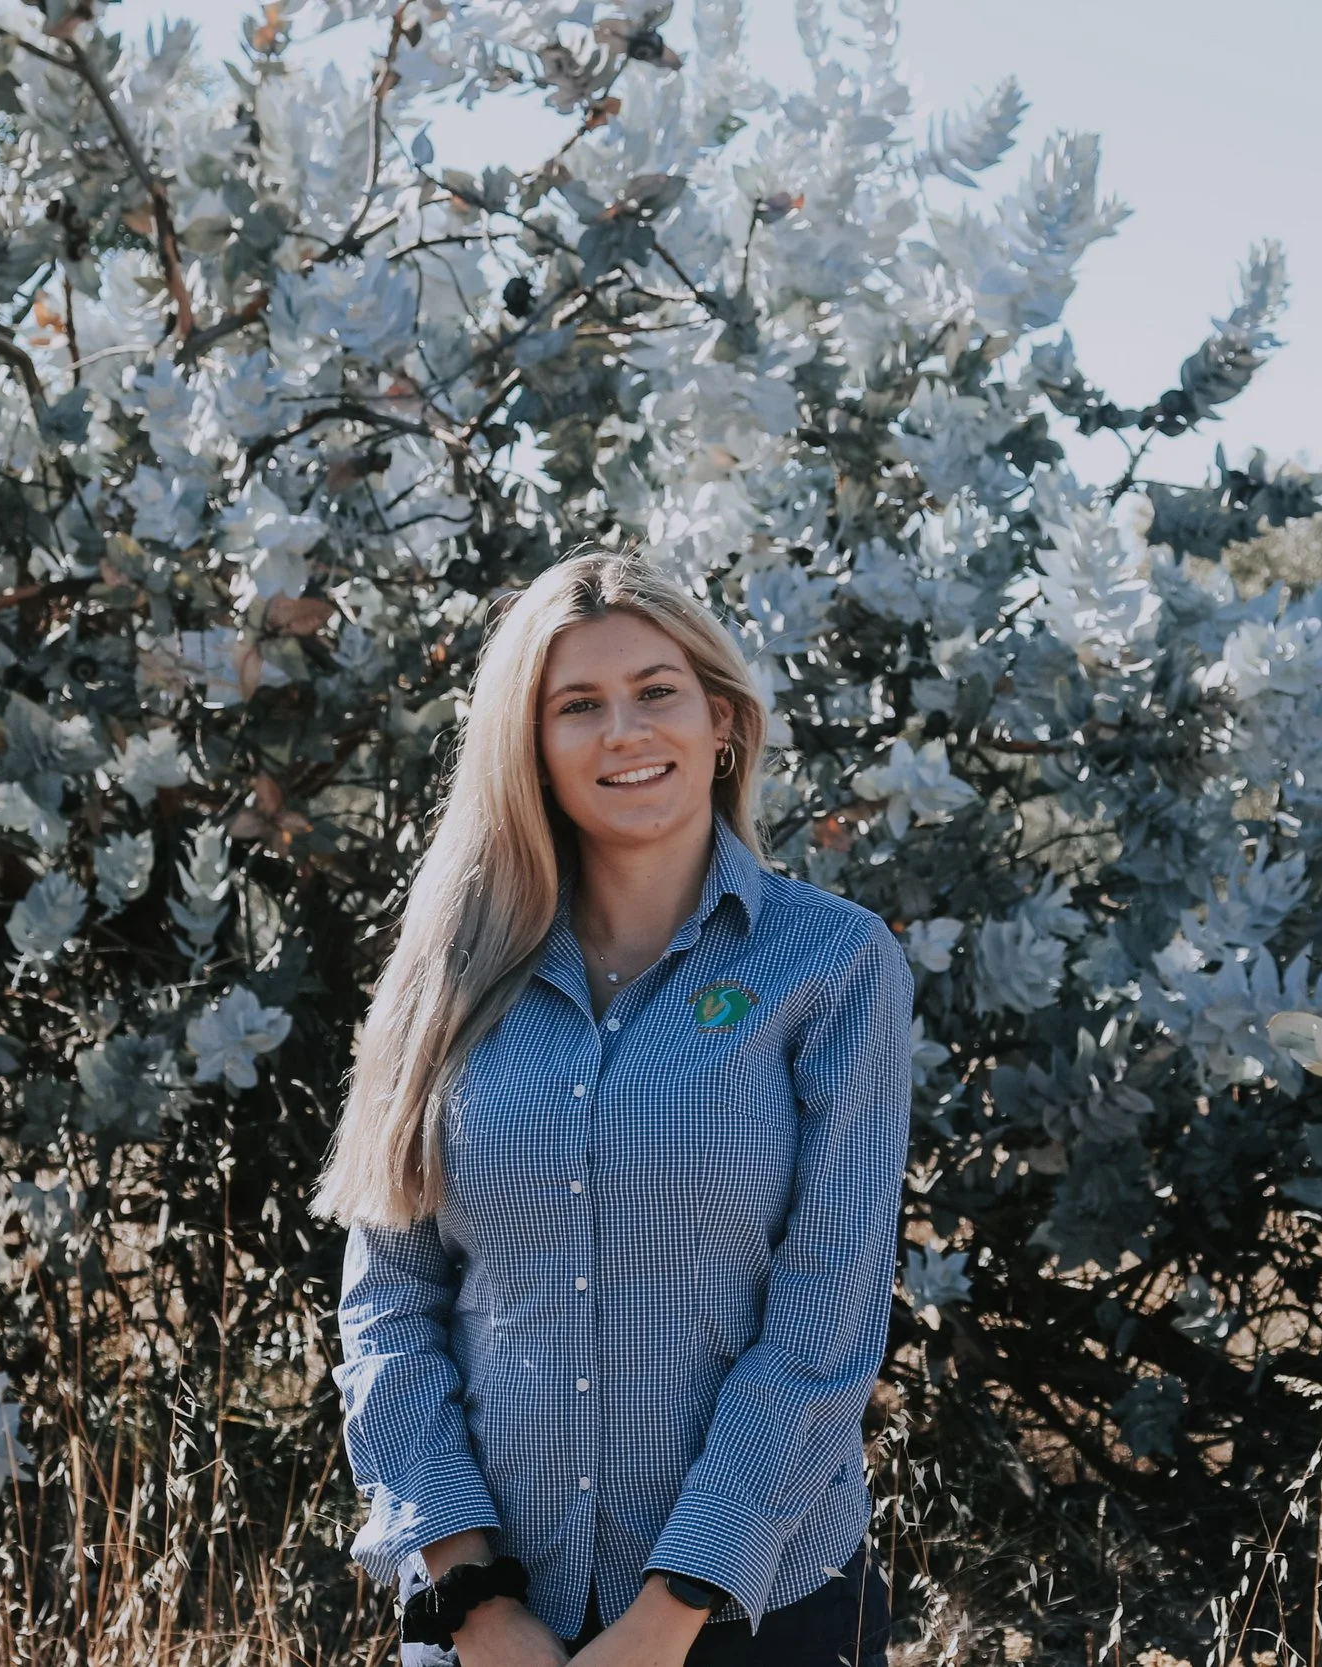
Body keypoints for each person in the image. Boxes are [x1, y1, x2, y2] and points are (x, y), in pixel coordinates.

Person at [313, 550, 913, 1666]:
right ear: (531, 748)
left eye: (656, 690)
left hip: (756, 1611)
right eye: (578, 705)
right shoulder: (445, 971)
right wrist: (475, 1603)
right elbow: (387, 1302)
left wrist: (664, 1617)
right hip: (490, 1618)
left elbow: (826, 1319)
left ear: (720, 719)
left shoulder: (833, 964)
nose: (624, 731)